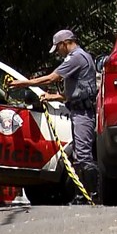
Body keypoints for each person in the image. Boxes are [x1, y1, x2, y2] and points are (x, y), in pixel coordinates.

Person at [9, 30, 99, 205]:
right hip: (78, 111)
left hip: (83, 113)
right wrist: (53, 97)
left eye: (58, 48)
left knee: (83, 156)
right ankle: (83, 195)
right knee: (80, 155)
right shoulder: (82, 57)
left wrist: (22, 83)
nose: (58, 52)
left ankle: (91, 195)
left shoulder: (76, 58)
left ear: (65, 43)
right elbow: (75, 92)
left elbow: (51, 78)